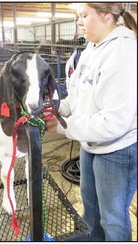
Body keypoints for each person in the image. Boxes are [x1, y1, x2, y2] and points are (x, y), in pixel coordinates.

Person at [46, 3, 137, 241]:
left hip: (117, 149)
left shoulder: (123, 53)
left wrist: (64, 126)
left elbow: (114, 122)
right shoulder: (91, 47)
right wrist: (57, 110)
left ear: (107, 14)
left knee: (113, 218)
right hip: (91, 144)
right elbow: (78, 93)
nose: (79, 22)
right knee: (91, 211)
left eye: (84, 15)